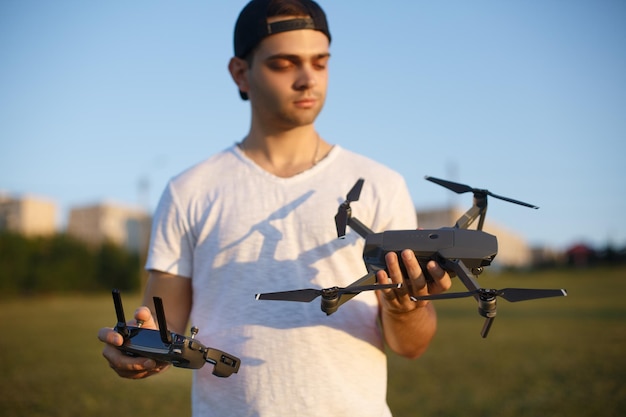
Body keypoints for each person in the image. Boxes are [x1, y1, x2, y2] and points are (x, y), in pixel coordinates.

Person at [98, 0, 451, 415]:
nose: (307, 79)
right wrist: (142, 347)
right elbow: (164, 324)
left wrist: (403, 308)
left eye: (320, 63)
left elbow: (411, 346)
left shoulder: (380, 185)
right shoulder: (189, 190)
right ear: (240, 73)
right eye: (284, 64)